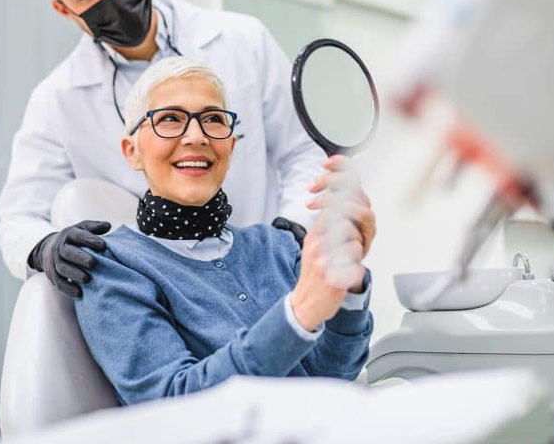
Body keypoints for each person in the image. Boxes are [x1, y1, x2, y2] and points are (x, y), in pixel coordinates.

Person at [0, 0, 345, 296]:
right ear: (64, 9)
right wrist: (43, 248)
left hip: (271, 279)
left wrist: (292, 229)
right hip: (162, 300)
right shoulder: (58, 100)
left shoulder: (242, 41)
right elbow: (19, 217)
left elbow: (304, 152)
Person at [74, 56, 374, 404]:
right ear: (132, 152)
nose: (196, 136)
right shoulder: (113, 268)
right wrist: (299, 313)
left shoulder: (278, 246)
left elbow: (334, 373)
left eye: (213, 120)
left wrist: (348, 286)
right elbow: (171, 405)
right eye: (170, 119)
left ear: (230, 146)